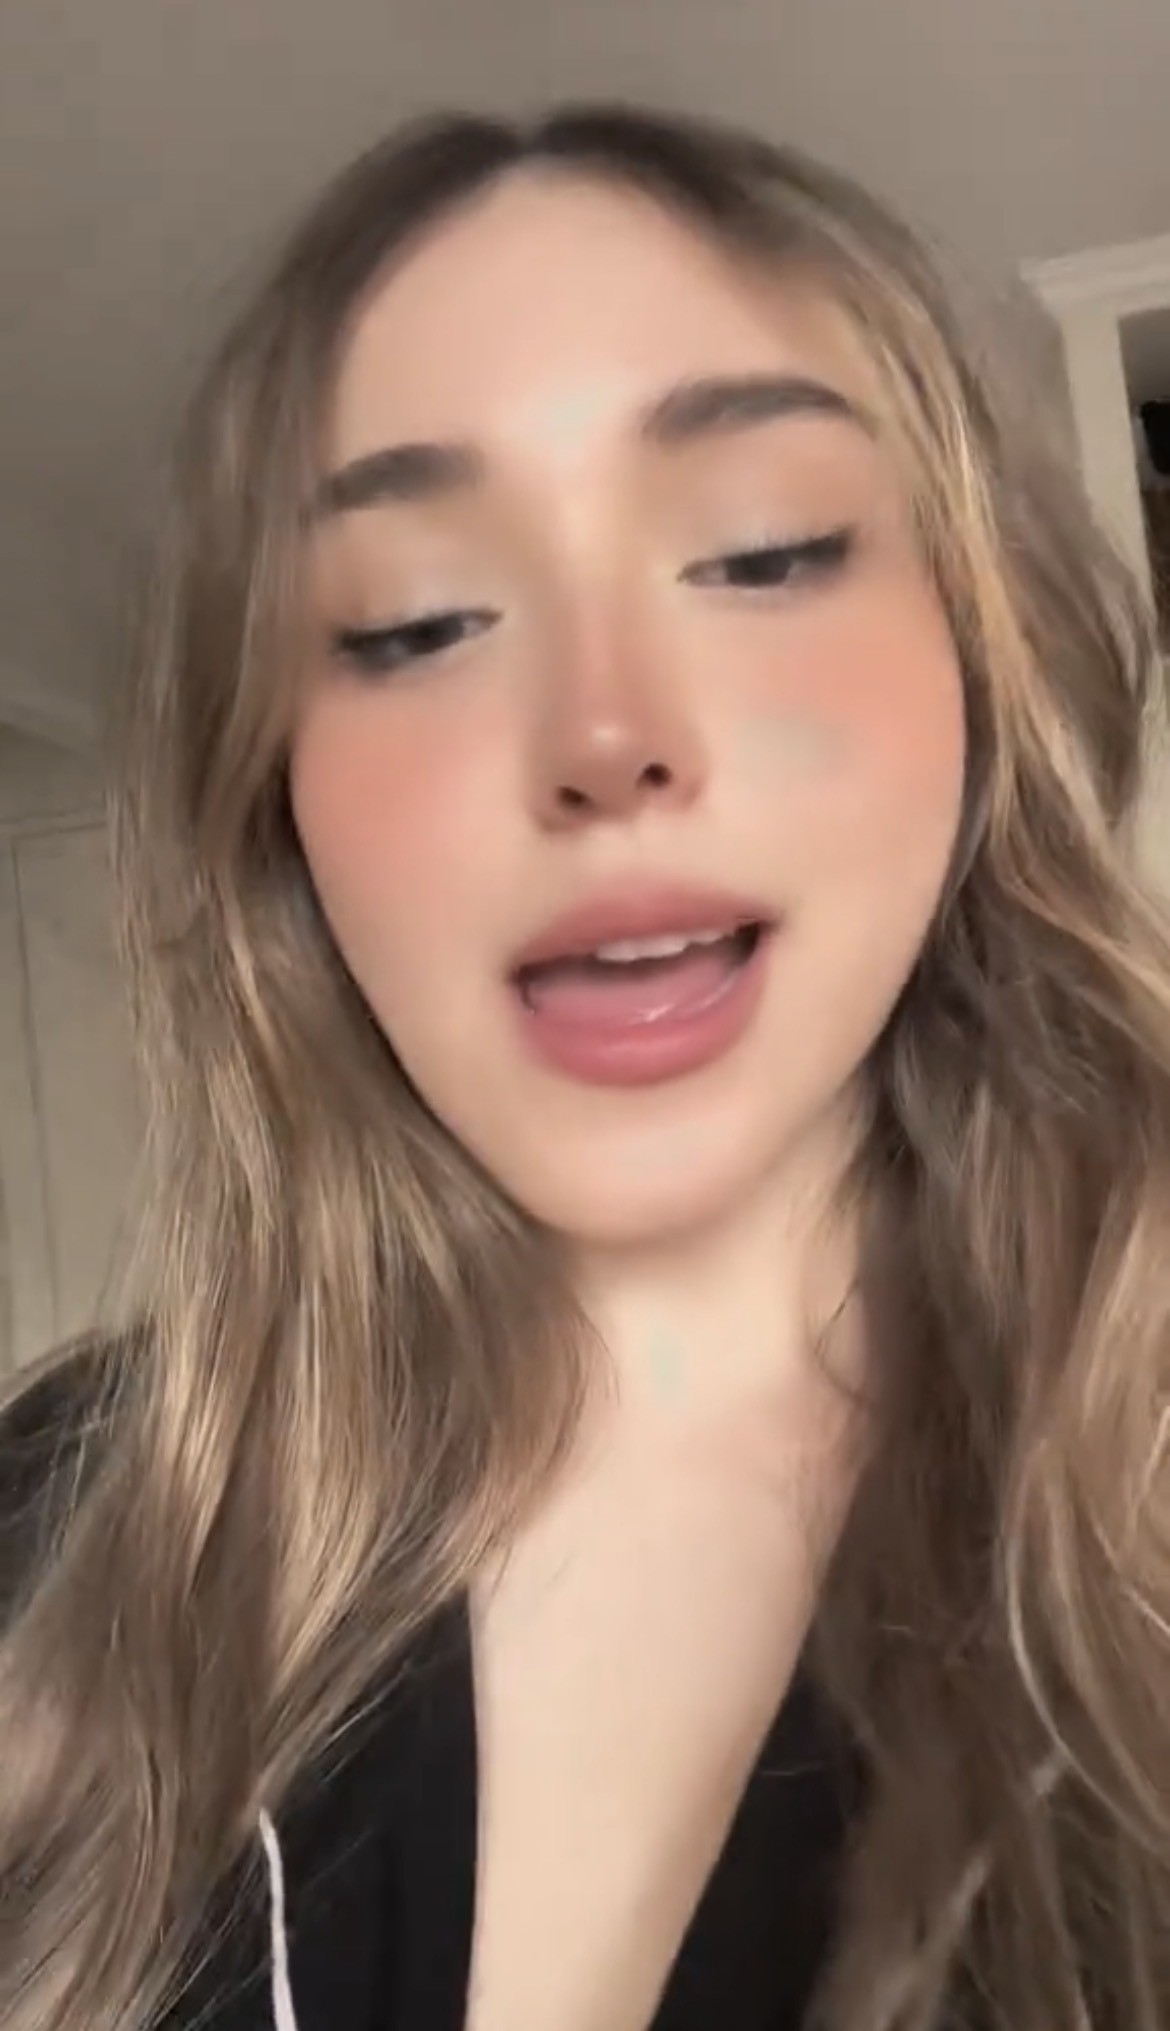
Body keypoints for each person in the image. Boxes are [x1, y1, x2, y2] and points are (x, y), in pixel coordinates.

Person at [1, 99, 1168, 2031]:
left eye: (763, 552)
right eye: (417, 625)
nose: (605, 735)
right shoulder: (70, 1531)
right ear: (274, 800)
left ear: (986, 659)